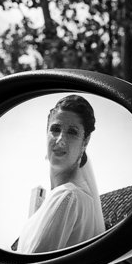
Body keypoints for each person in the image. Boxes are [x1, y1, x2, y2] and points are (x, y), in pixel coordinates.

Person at [16, 94, 106, 253]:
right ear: (46, 133)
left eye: (72, 132)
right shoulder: (74, 197)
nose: (60, 140)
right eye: (55, 129)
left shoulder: (67, 196)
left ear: (85, 141)